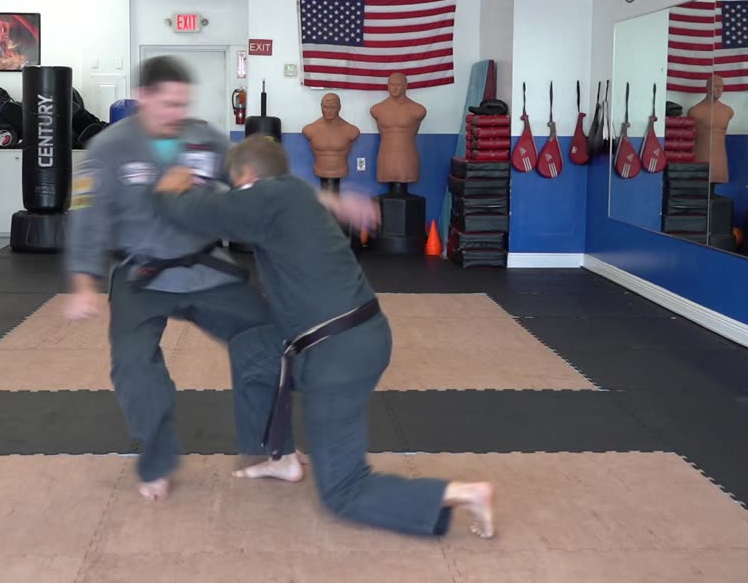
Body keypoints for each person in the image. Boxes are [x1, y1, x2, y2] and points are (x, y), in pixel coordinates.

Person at [150, 135, 496, 539]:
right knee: (252, 351)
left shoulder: (262, 198)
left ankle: (460, 494)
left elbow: (190, 212)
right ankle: (277, 457)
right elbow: (299, 198)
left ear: (245, 176)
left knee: (343, 491)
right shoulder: (291, 191)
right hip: (351, 335)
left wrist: (166, 187)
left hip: (338, 354)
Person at [63, 56, 278, 503]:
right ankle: (157, 460)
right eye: (168, 104)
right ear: (143, 98)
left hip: (205, 266)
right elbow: (88, 219)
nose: (177, 114)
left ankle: (266, 449)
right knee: (132, 365)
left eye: (183, 104)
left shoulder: (203, 138)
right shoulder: (108, 149)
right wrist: (84, 282)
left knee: (266, 335)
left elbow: (250, 183)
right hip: (141, 273)